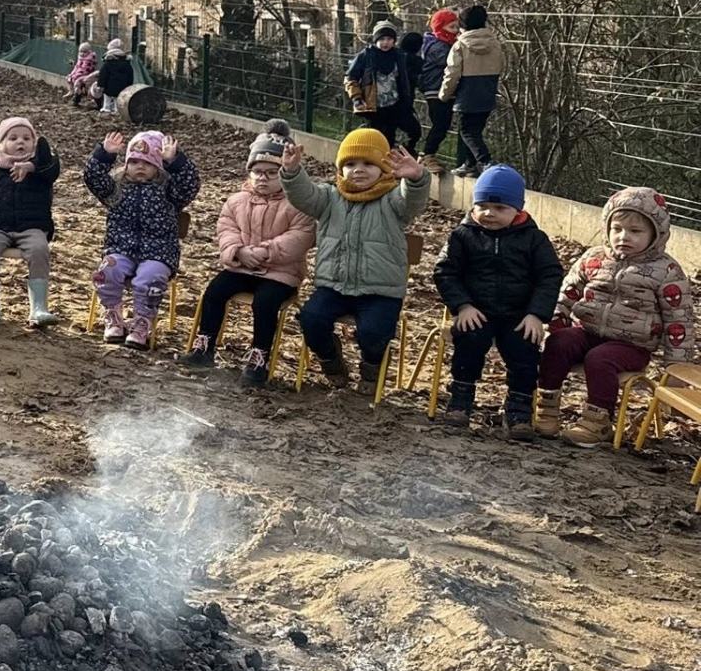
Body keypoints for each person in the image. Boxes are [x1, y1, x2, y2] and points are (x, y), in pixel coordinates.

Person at [537, 187, 693, 444]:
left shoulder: (666, 271)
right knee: (559, 342)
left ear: (656, 234)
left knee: (600, 358)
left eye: (635, 231)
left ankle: (597, 421)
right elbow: (567, 294)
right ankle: (546, 406)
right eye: (617, 229)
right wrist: (552, 326)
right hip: (588, 331)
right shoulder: (594, 258)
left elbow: (679, 321)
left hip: (632, 345)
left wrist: (676, 369)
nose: (623, 237)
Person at [279, 128, 430, 391]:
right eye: (350, 164)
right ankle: (331, 360)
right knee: (311, 319)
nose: (358, 170)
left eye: (368, 164)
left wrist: (416, 178)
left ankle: (372, 366)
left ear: (384, 167)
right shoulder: (329, 197)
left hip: (380, 291)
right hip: (334, 286)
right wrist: (292, 172)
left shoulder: (393, 200)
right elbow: (305, 195)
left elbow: (412, 202)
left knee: (373, 332)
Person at [180, 120, 314, 387]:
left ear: (285, 173)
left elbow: (301, 237)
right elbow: (226, 229)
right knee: (215, 292)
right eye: (257, 172)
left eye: (272, 173)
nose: (263, 178)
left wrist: (264, 252)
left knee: (264, 303)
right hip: (241, 265)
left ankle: (259, 358)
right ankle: (204, 346)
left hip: (281, 273)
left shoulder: (298, 204)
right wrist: (238, 251)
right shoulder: (237, 200)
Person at [430, 165, 562, 435]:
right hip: (475, 310)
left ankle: (519, 409)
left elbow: (550, 276)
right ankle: (460, 399)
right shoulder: (462, 236)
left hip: (519, 314)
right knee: (469, 342)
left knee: (525, 352)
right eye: (482, 206)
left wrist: (536, 314)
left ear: (518, 210)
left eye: (500, 208)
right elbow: (445, 272)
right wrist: (462, 306)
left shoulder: (535, 239)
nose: (489, 213)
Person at [85, 130, 202, 348]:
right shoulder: (117, 190)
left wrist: (175, 161)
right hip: (121, 250)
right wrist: (104, 155)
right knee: (106, 271)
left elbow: (190, 185)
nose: (140, 167)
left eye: (147, 163)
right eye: (134, 162)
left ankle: (142, 323)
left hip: (158, 253)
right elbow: (93, 179)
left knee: (149, 279)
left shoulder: (168, 192)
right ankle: (113, 315)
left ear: (158, 167)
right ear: (126, 165)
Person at [0, 116, 61, 327]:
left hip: (31, 228)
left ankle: (38, 308)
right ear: (1, 144)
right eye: (13, 138)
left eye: (27, 138)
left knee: (39, 250)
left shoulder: (41, 169)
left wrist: (30, 166)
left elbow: (52, 167)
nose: (20, 142)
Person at [439, 3, 503, 178]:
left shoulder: (460, 46)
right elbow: (502, 65)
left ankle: (485, 161)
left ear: (463, 25)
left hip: (467, 93)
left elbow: (452, 73)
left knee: (467, 131)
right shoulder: (495, 44)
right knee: (476, 130)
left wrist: (444, 94)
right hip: (488, 91)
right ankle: (469, 164)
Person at [344, 20, 420, 149]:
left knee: (412, 131)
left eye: (389, 39)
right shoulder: (366, 55)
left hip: (395, 104)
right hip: (374, 106)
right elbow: (350, 78)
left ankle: (403, 153)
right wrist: (357, 98)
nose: (385, 43)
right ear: (375, 39)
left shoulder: (399, 55)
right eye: (382, 39)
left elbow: (407, 77)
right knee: (377, 139)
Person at [418, 8, 460, 165]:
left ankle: (428, 153)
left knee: (442, 124)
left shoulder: (443, 44)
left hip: (442, 88)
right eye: (451, 27)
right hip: (436, 89)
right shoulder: (438, 46)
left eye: (456, 27)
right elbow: (450, 61)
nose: (455, 31)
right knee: (441, 124)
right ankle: (426, 154)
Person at [94, 37, 132, 115]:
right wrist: (129, 85)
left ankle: (106, 108)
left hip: (110, 85)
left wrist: (100, 85)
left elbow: (103, 75)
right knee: (117, 97)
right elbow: (130, 75)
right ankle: (116, 109)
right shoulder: (127, 62)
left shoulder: (108, 62)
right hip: (122, 85)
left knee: (107, 96)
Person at [65, 42, 98, 108]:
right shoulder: (81, 58)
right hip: (80, 74)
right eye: (81, 52)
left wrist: (76, 75)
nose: (82, 53)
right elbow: (77, 67)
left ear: (88, 52)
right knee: (69, 77)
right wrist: (73, 73)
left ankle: (76, 96)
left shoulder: (89, 60)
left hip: (87, 75)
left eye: (84, 52)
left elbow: (85, 69)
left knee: (77, 81)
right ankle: (71, 91)